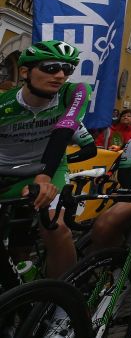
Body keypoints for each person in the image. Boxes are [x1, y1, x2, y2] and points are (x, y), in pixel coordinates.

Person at [0, 40, 88, 278]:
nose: (60, 75)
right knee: (17, 250)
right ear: (26, 72)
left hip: (49, 169)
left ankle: (63, 305)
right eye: (50, 68)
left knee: (55, 227)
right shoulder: (3, 105)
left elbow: (65, 131)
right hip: (6, 173)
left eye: (67, 69)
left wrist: (44, 177)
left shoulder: (74, 92)